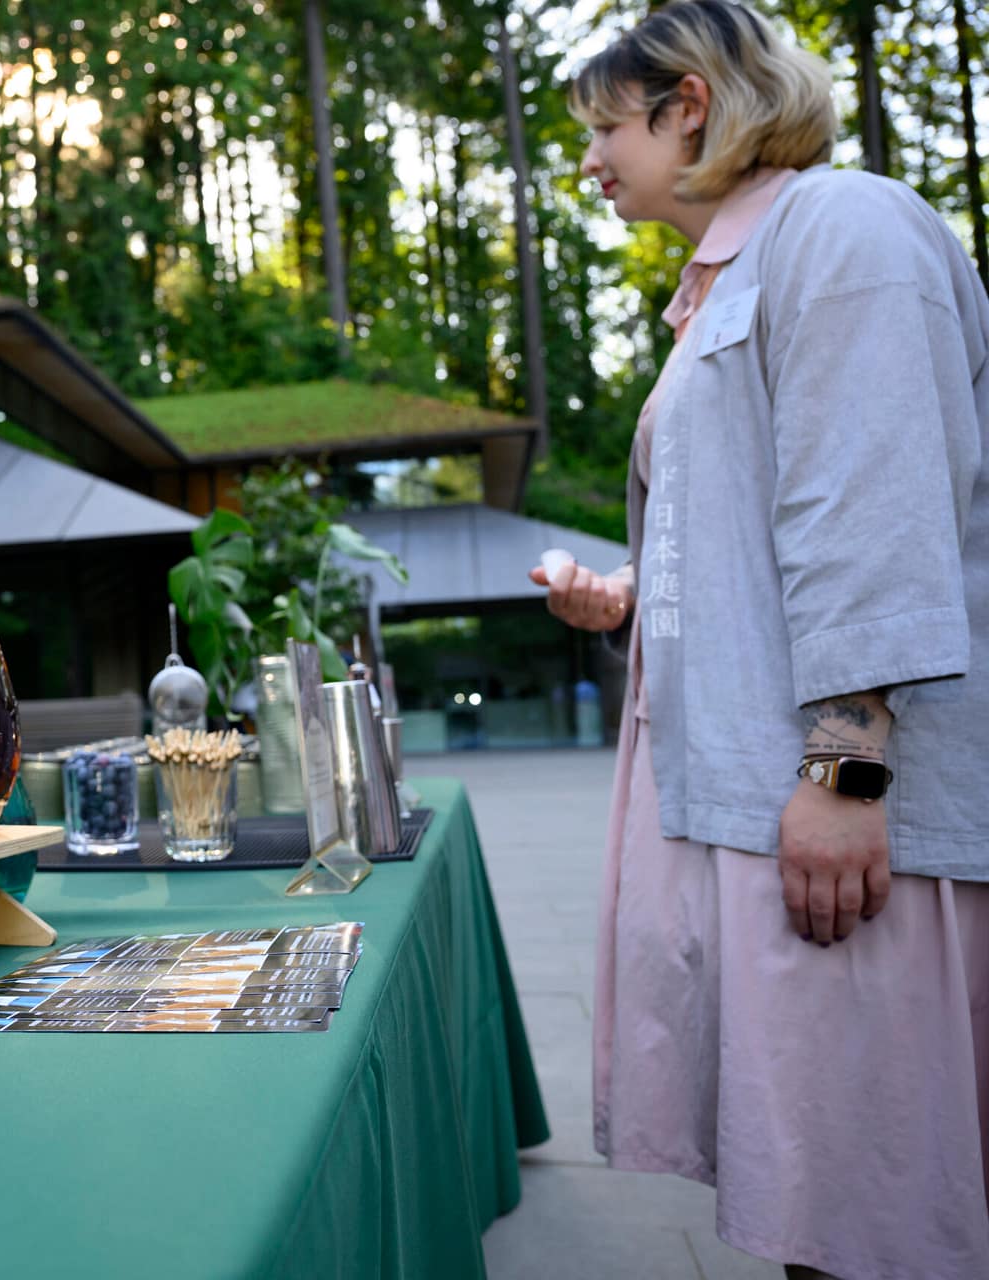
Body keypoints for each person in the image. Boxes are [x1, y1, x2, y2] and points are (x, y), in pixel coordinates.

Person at [529, 3, 989, 1277]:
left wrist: (847, 772)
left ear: (688, 106)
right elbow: (765, 524)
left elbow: (878, 508)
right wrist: (633, 593)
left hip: (854, 804)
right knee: (826, 1195)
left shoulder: (841, 227)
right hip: (771, 796)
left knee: (877, 1203)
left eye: (606, 127)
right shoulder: (729, 279)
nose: (590, 160)